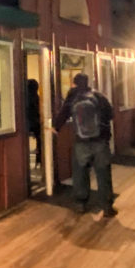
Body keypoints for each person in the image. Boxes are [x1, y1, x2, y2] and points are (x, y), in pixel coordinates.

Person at [53, 73, 116, 217]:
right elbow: (111, 114)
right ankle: (107, 206)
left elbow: (63, 114)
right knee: (103, 173)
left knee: (80, 173)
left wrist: (56, 128)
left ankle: (81, 204)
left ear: (74, 84)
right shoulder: (98, 96)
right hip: (100, 141)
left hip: (81, 142)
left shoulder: (73, 98)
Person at [25, 78, 41, 167]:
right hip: (34, 123)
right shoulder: (35, 97)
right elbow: (37, 111)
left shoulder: (23, 97)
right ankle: (39, 156)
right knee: (41, 136)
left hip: (26, 124)